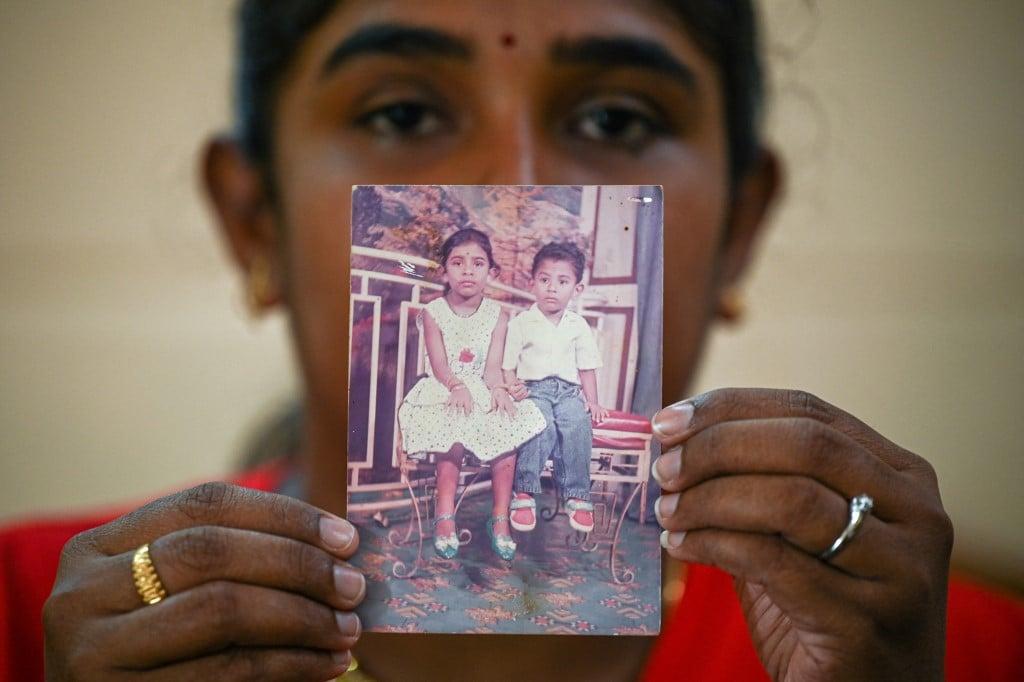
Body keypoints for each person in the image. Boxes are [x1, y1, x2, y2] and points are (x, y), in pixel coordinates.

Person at [3, 1, 1022, 680]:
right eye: (403, 110)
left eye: (618, 120)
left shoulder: (957, 653)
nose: (516, 201)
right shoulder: (24, 617)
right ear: (252, 220)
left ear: (743, 228)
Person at [396, 227, 546, 561]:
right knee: (454, 431)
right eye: (458, 262)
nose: (467, 270)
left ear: (490, 272)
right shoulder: (433, 311)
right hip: (445, 387)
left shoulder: (499, 315)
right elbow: (438, 364)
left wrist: (499, 390)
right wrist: (456, 386)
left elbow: (493, 367)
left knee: (508, 432)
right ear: (444, 271)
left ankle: (500, 517)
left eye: (477, 263)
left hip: (480, 386)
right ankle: (445, 514)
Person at [503, 242, 609, 535]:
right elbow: (508, 365)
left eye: (562, 282)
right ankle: (524, 493)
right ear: (532, 283)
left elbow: (587, 366)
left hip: (568, 392)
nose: (552, 288)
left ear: (577, 289)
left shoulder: (578, 325)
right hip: (533, 391)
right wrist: (513, 387)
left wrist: (594, 402)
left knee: (577, 424)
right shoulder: (522, 323)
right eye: (544, 280)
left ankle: (577, 495)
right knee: (542, 425)